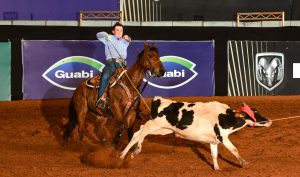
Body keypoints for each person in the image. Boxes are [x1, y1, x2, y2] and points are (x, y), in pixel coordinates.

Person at [95, 22, 131, 108]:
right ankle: (101, 99)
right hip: (112, 63)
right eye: (117, 30)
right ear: (113, 31)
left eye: (121, 30)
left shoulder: (125, 41)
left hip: (123, 64)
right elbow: (98, 35)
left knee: (131, 79)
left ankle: (133, 101)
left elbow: (129, 39)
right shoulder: (109, 38)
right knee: (106, 76)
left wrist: (128, 37)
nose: (119, 32)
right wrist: (105, 34)